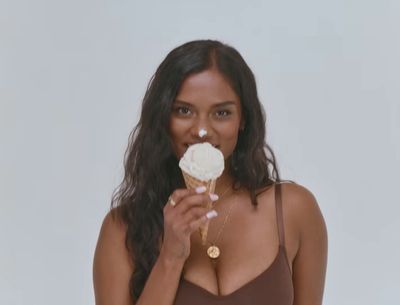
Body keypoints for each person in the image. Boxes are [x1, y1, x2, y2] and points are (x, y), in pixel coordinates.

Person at [93, 40, 328, 305]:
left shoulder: (293, 211)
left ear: (243, 120)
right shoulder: (121, 228)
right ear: (162, 118)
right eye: (184, 110)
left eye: (222, 113)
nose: (202, 130)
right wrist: (171, 257)